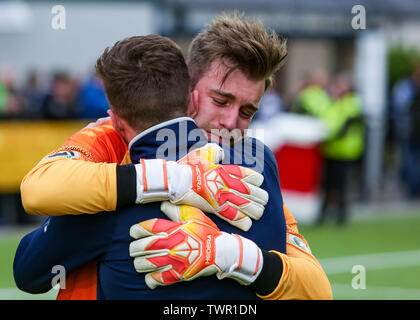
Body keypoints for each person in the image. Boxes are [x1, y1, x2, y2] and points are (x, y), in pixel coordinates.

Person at [17, 14, 331, 299]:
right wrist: (180, 180)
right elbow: (36, 190)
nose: (232, 122)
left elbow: (317, 290)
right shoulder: (112, 139)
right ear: (186, 90)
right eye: (221, 101)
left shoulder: (251, 169)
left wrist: (232, 255)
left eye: (248, 111)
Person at [317, 72, 365, 225]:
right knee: (327, 184)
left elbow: (345, 127)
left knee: (340, 185)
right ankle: (324, 215)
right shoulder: (336, 103)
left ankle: (340, 216)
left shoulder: (352, 103)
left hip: (344, 152)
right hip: (331, 150)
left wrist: (327, 136)